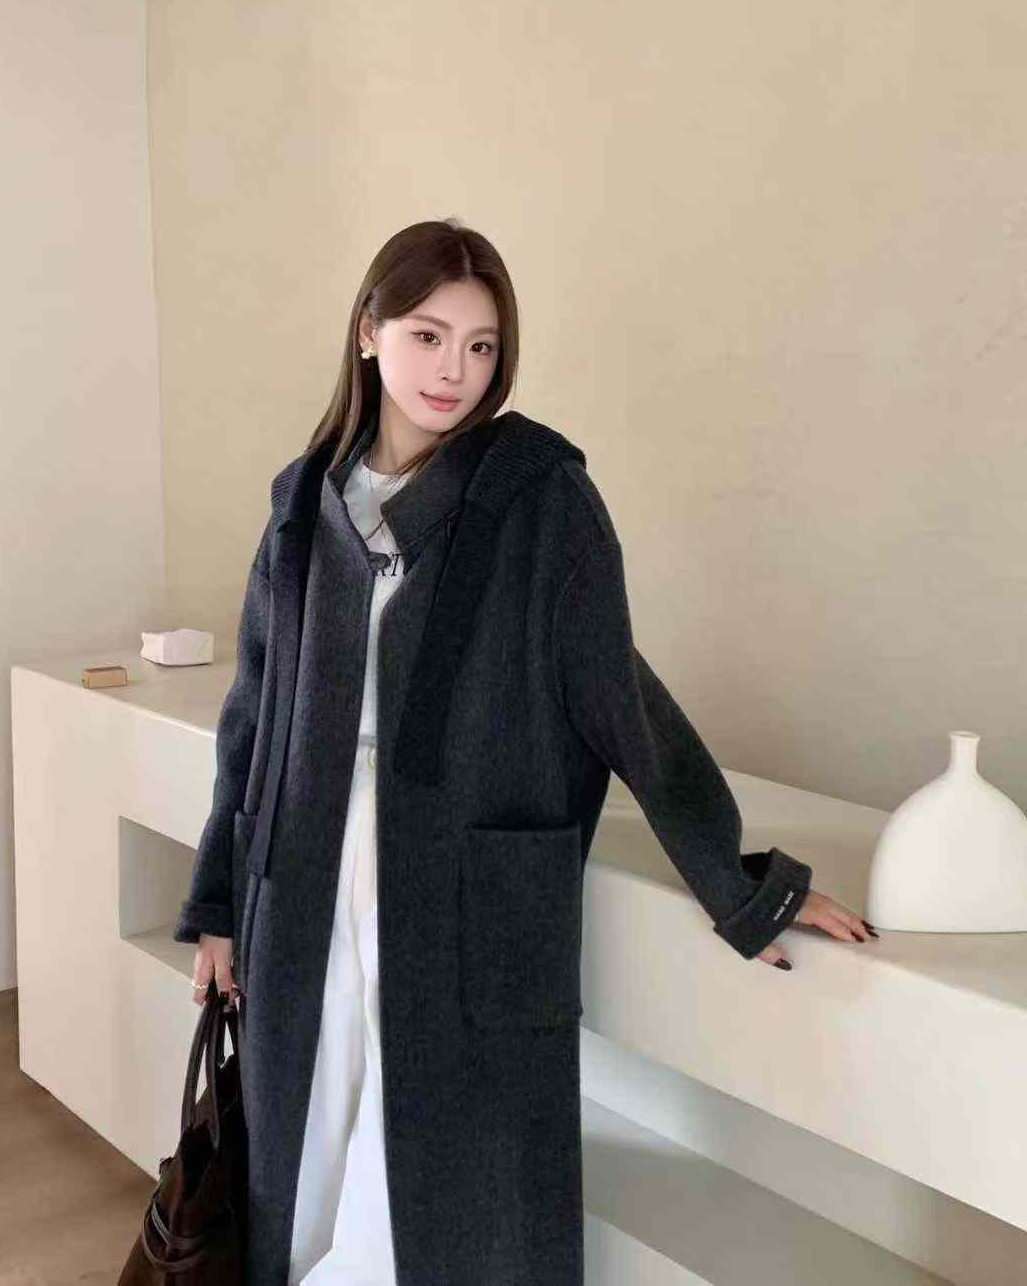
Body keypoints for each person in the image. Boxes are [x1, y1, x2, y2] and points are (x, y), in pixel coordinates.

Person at [179, 217, 878, 1286]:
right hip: (303, 875)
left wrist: (741, 886)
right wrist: (220, 902)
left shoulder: (538, 495)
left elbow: (620, 695)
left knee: (453, 1187)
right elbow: (254, 712)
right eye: (427, 335)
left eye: (481, 345)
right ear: (367, 331)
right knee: (310, 1144)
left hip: (462, 890)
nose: (453, 370)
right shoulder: (302, 504)